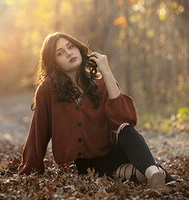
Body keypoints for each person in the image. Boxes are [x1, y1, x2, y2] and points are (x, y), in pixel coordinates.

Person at [18, 32, 174, 191]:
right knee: (148, 173)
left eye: (70, 47)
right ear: (55, 62)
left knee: (125, 129)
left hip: (113, 152)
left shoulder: (101, 82)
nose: (69, 53)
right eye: (60, 53)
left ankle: (154, 175)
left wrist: (106, 71)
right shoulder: (47, 89)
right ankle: (157, 174)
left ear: (78, 48)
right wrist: (30, 170)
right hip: (87, 165)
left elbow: (124, 119)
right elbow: (38, 133)